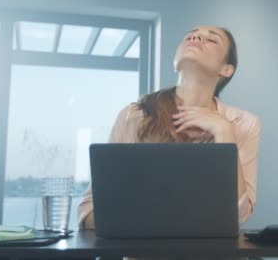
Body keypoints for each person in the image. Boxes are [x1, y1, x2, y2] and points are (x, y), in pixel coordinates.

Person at [77, 25, 262, 230]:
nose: (197, 36)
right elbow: (88, 212)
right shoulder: (134, 115)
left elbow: (239, 216)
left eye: (212, 39)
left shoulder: (243, 123)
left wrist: (224, 131)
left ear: (226, 69)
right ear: (175, 60)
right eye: (191, 34)